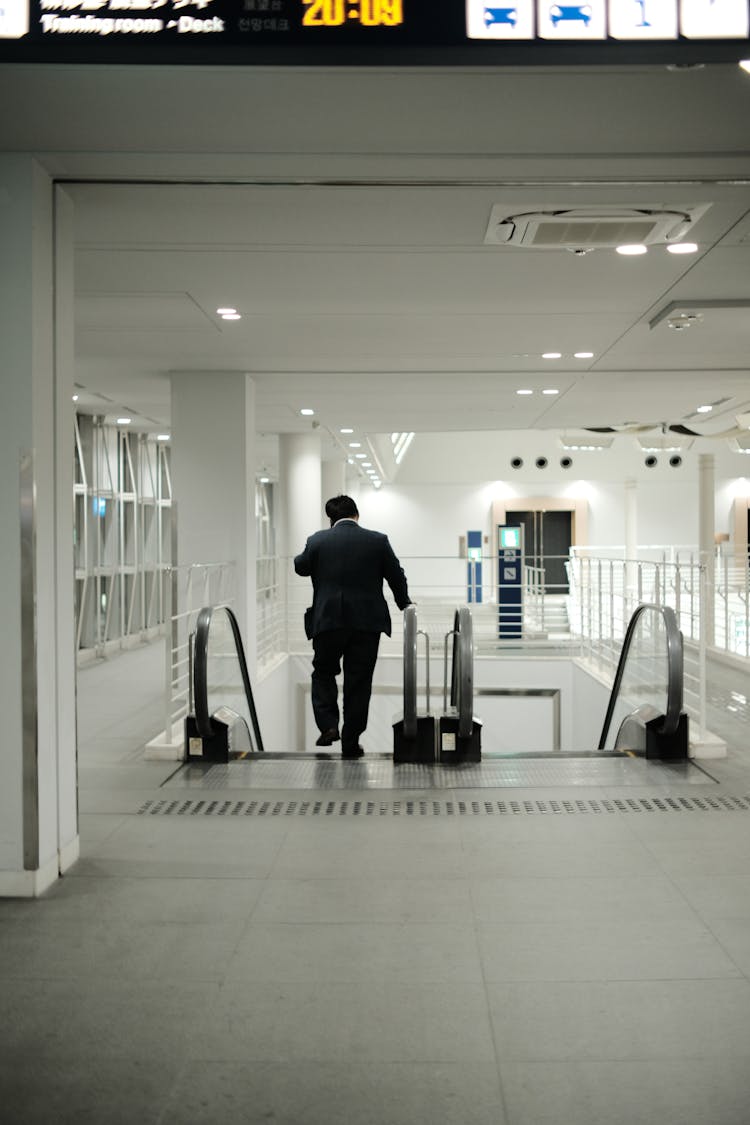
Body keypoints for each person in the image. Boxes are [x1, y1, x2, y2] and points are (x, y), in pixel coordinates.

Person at [294, 495, 412, 758]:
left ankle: (328, 726)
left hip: (328, 622)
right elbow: (396, 575)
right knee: (359, 682)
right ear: (356, 515)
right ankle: (351, 741)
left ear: (331, 519)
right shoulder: (377, 540)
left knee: (323, 672)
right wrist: (405, 604)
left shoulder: (317, 541)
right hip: (366, 623)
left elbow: (300, 567)